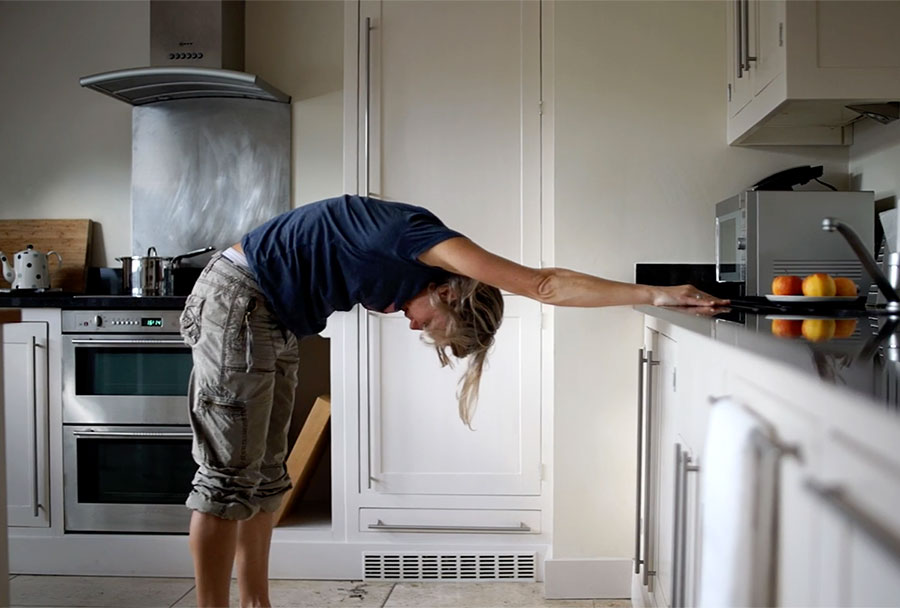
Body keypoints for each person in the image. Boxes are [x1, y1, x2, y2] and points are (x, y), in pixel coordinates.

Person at [179, 194, 726, 607]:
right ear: (448, 292)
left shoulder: (417, 267)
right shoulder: (424, 242)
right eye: (433, 327)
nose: (416, 327)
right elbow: (543, 285)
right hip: (241, 298)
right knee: (227, 477)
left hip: (272, 315)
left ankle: (256, 602)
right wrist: (656, 292)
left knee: (266, 473)